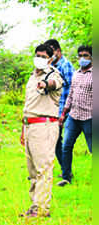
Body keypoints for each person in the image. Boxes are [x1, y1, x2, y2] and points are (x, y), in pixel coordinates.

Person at [19, 44, 63, 217]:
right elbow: (28, 106)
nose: (40, 58)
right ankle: (34, 205)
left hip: (44, 125)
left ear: (51, 59)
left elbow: (53, 84)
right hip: (30, 124)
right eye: (38, 55)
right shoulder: (32, 76)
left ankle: (42, 208)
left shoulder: (54, 75)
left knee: (43, 168)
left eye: (44, 56)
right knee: (32, 171)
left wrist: (45, 83)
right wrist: (23, 129)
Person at [57, 45, 92, 187]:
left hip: (89, 117)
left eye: (86, 55)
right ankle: (66, 177)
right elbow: (70, 95)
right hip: (73, 116)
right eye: (80, 55)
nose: (82, 58)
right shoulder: (76, 74)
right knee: (66, 146)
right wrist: (64, 113)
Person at [43, 39, 74, 177]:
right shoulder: (50, 67)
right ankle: (63, 170)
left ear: (58, 51)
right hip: (53, 108)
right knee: (53, 140)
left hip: (64, 109)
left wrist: (65, 111)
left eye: (51, 51)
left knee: (58, 141)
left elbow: (72, 88)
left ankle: (66, 172)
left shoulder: (65, 65)